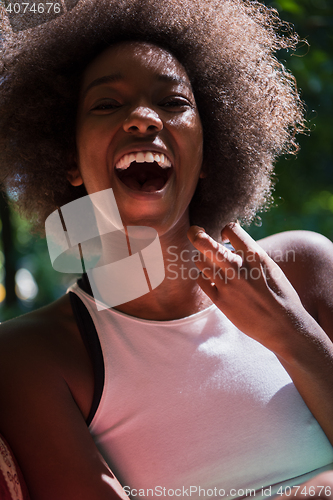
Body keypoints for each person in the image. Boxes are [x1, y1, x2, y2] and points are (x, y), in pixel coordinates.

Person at [0, 1, 333, 499]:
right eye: (106, 105)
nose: (142, 118)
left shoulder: (304, 269)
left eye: (174, 102)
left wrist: (294, 334)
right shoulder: (29, 356)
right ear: (70, 159)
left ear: (207, 150)